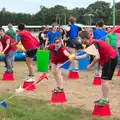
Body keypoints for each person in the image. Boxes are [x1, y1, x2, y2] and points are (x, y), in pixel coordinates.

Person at [75, 30, 117, 106]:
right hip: (111, 57)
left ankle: (105, 99)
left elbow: (97, 57)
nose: (80, 40)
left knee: (104, 80)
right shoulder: (90, 44)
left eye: (80, 38)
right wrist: (76, 57)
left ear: (84, 38)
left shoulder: (93, 43)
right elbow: (86, 55)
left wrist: (90, 65)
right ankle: (104, 98)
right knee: (105, 80)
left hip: (111, 58)